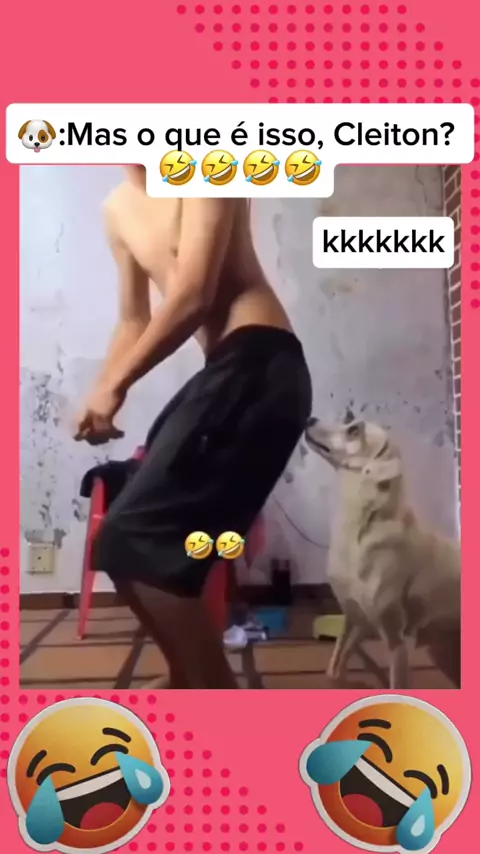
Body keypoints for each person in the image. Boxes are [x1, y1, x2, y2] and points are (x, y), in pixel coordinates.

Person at [74, 166, 312, 688]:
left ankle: (208, 689)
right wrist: (102, 389)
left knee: (132, 536)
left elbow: (194, 293)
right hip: (224, 369)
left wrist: (118, 384)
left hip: (261, 362)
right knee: (123, 542)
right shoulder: (117, 209)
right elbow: (133, 320)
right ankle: (192, 681)